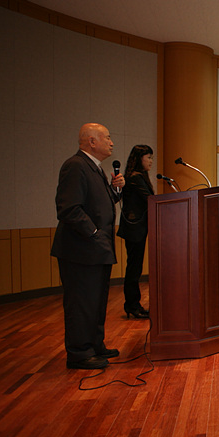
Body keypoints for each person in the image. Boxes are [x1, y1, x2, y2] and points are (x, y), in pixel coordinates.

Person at [51, 123, 125, 369]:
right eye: (108, 137)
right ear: (92, 142)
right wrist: (94, 233)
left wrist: (116, 191)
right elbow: (69, 208)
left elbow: (99, 204)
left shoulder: (95, 168)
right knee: (81, 302)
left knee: (96, 300)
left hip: (96, 249)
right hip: (81, 249)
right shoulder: (75, 166)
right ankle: (80, 353)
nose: (111, 142)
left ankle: (95, 345)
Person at [116, 144, 154, 319]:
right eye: (149, 158)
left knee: (134, 267)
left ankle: (133, 304)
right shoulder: (134, 178)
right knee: (134, 268)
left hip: (137, 228)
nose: (151, 162)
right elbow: (150, 200)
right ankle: (132, 305)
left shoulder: (139, 176)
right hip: (134, 229)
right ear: (140, 159)